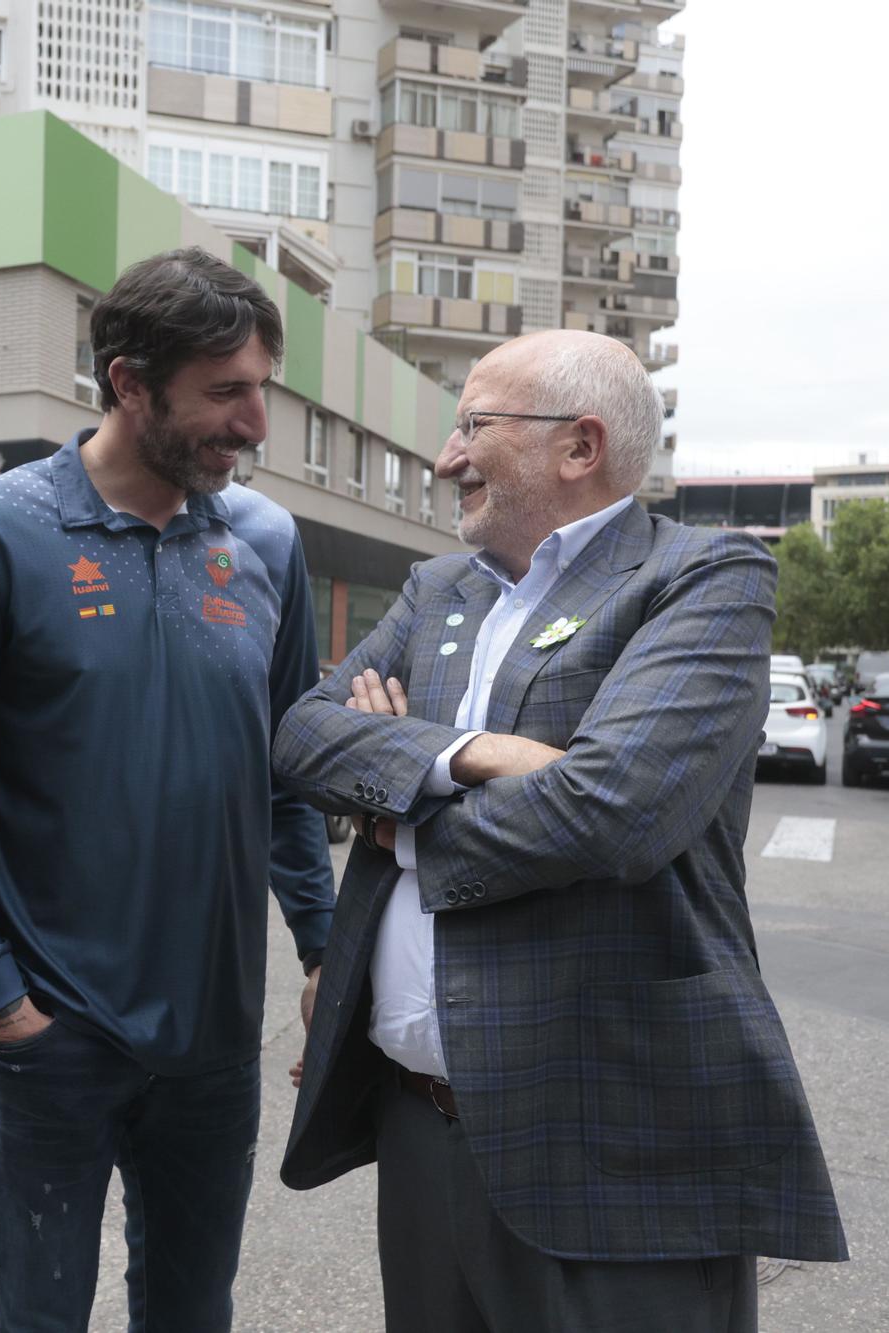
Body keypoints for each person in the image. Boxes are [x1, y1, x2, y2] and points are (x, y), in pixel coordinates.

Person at [275, 330, 847, 1331]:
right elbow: (303, 734)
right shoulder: (436, 590)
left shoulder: (701, 578)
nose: (444, 457)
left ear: (577, 447)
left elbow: (609, 812)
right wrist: (470, 754)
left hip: (610, 1139)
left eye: (470, 427)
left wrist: (392, 816)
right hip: (421, 1126)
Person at [0, 248, 337, 1333]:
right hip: (50, 1032)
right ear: (126, 382)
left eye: (261, 390)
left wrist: (321, 947)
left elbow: (288, 769)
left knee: (193, 1313)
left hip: (212, 1036)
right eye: (224, 394)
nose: (254, 425)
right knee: (36, 1316)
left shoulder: (264, 542)